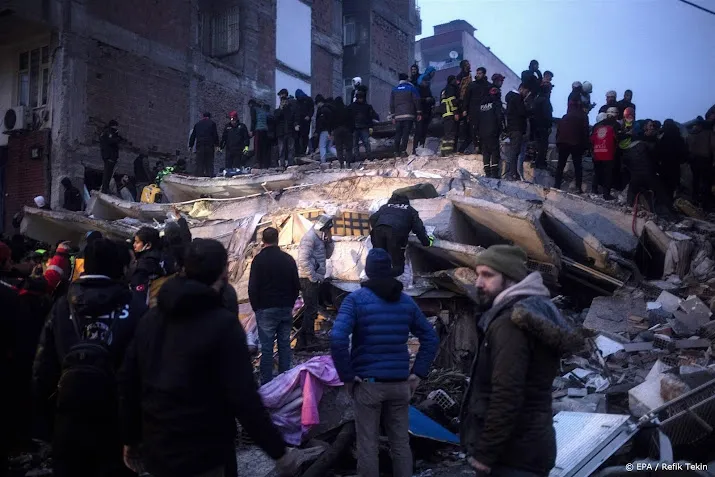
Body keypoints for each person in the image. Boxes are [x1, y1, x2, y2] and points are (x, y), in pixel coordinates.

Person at [118, 239, 298, 477]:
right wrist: (278, 452)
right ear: (223, 272)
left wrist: (130, 437)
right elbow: (244, 398)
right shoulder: (223, 326)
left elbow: (129, 382)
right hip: (204, 453)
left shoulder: (151, 319)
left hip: (158, 448)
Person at [461, 245, 580, 477]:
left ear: (510, 278)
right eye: (478, 274)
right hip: (527, 447)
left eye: (488, 275)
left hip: (513, 454)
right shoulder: (529, 311)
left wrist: (486, 453)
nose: (478, 283)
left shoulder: (510, 323)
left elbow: (507, 392)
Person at [33, 238, 144, 477]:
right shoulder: (135, 307)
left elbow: (43, 366)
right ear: (120, 267)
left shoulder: (63, 305)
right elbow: (146, 370)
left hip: (69, 412)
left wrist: (46, 419)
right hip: (116, 421)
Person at [330, 248, 439, 477]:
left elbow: (337, 338)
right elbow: (430, 337)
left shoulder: (355, 300)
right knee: (400, 443)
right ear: (390, 270)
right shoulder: (406, 302)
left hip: (368, 385)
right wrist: (417, 373)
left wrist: (347, 376)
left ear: (368, 271)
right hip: (400, 385)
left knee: (367, 446)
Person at [248, 227, 300, 384]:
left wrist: (257, 308)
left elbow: (253, 288)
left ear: (263, 241)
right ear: (278, 239)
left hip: (265, 310)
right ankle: (285, 383)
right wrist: (290, 304)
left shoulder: (258, 260)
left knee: (267, 348)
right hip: (285, 308)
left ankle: (268, 384)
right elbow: (296, 285)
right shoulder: (288, 259)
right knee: (285, 345)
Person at [369, 193, 432, 278]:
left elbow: (373, 218)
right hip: (396, 234)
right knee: (397, 265)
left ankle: (377, 280)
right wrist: (426, 242)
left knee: (379, 259)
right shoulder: (410, 210)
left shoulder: (385, 207)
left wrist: (380, 228)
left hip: (378, 231)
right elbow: (419, 229)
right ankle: (390, 281)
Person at [296, 215, 334, 351]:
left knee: (311, 309)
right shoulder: (310, 237)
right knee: (311, 309)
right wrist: (313, 276)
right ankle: (307, 339)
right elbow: (303, 259)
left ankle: (305, 340)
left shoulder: (320, 238)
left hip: (314, 277)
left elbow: (327, 255)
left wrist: (329, 241)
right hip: (307, 278)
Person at [623, 120, 672, 213]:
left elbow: (626, 159)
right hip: (647, 173)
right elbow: (656, 158)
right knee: (659, 191)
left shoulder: (634, 141)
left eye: (653, 126)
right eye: (650, 126)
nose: (652, 128)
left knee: (634, 188)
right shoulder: (650, 142)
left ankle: (629, 206)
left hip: (638, 173)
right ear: (644, 127)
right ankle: (670, 212)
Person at [130, 227, 172, 305]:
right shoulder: (164, 254)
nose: (134, 245)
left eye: (137, 242)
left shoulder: (144, 265)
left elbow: (138, 295)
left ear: (148, 245)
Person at [554, 101, 590, 192]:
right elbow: (585, 132)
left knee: (560, 165)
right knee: (577, 166)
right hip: (576, 143)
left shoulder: (565, 116)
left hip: (562, 142)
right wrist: (586, 146)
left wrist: (558, 143)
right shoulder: (583, 116)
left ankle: (556, 185)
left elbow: (559, 130)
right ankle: (578, 187)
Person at [590, 110, 621, 200]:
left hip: (597, 152)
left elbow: (591, 140)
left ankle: (594, 189)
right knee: (608, 174)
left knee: (597, 172)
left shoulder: (596, 128)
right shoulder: (613, 127)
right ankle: (606, 194)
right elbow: (617, 138)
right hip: (608, 154)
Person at [655, 119, 688, 199]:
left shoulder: (663, 138)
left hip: (664, 166)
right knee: (673, 186)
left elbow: (658, 153)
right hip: (675, 166)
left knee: (665, 186)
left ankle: (666, 202)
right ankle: (672, 202)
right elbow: (684, 153)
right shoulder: (679, 138)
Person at [390, 73, 421, 158]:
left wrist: (393, 115)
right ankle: (403, 151)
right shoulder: (411, 88)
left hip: (398, 116)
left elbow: (391, 104)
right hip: (408, 115)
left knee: (398, 134)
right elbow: (417, 100)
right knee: (405, 134)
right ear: (407, 79)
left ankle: (396, 152)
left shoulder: (394, 89)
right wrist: (419, 112)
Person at [687, 117, 715, 209]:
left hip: (694, 161)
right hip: (705, 160)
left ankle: (695, 199)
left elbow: (689, 147)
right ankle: (706, 203)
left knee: (696, 180)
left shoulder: (692, 134)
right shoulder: (709, 133)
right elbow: (713, 147)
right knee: (706, 181)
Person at [462, 67, 492, 154]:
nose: (478, 75)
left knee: (484, 130)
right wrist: (465, 109)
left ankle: (482, 148)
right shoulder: (472, 85)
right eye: (477, 73)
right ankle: (476, 146)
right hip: (473, 111)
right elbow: (466, 98)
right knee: (474, 129)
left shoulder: (488, 85)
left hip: (485, 111)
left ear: (484, 74)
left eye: (480, 73)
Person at [504, 84, 530, 181]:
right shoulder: (517, 98)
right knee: (515, 151)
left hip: (512, 127)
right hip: (517, 128)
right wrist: (530, 111)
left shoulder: (511, 98)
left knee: (515, 151)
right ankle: (513, 173)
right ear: (521, 89)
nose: (526, 94)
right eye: (526, 92)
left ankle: (513, 173)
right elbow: (522, 112)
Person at [478, 87, 505, 178]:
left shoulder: (481, 104)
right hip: (493, 130)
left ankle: (487, 172)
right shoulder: (496, 103)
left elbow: (478, 119)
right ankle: (494, 172)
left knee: (485, 151)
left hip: (482, 131)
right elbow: (499, 116)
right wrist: (502, 129)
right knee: (494, 151)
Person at [349, 91, 379, 162]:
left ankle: (361, 157)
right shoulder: (366, 106)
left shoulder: (352, 106)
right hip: (361, 127)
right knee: (364, 142)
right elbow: (371, 117)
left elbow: (349, 117)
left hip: (358, 127)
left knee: (357, 143)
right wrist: (371, 126)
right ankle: (367, 156)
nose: (361, 99)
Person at [412, 66, 436, 154]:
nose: (427, 83)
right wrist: (425, 100)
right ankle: (415, 149)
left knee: (424, 132)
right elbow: (415, 100)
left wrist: (431, 100)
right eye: (425, 81)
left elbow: (432, 99)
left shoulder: (427, 89)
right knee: (418, 131)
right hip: (419, 113)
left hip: (427, 113)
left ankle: (421, 148)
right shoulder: (417, 89)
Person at [189, 112, 220, 177]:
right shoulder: (212, 123)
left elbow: (193, 136)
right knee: (209, 162)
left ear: (203, 116)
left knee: (200, 162)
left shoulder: (197, 124)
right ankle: (209, 176)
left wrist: (190, 145)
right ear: (210, 117)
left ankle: (199, 176)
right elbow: (215, 135)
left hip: (200, 146)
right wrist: (217, 145)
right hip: (209, 146)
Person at [531, 82, 553, 169]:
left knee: (538, 145)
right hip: (543, 127)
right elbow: (547, 114)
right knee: (543, 146)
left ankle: (536, 161)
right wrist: (549, 125)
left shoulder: (536, 99)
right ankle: (540, 163)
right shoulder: (545, 100)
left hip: (536, 126)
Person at [275, 89, 299, 169]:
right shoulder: (278, 111)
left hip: (290, 131)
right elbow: (275, 119)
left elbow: (294, 118)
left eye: (285, 101)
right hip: (281, 132)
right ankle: (282, 164)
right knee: (281, 149)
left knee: (290, 149)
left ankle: (290, 164)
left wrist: (295, 125)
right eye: (282, 101)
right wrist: (280, 109)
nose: (284, 103)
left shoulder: (291, 110)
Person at [439, 75, 461, 157]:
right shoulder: (451, 88)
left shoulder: (443, 90)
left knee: (447, 133)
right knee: (451, 134)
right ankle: (448, 152)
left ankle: (444, 151)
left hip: (445, 114)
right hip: (451, 113)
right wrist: (456, 112)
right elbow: (452, 101)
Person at [100, 120, 123, 194]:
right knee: (107, 173)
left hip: (109, 156)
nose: (117, 128)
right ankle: (104, 189)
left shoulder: (107, 132)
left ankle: (106, 188)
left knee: (109, 174)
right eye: (116, 126)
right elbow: (111, 141)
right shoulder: (108, 132)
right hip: (109, 155)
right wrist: (118, 138)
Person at [332, 97, 355, 168]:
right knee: (348, 147)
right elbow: (352, 120)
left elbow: (330, 121)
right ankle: (348, 163)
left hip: (337, 130)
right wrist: (352, 130)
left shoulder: (334, 111)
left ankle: (341, 163)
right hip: (346, 129)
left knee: (339, 148)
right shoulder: (347, 109)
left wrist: (331, 130)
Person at [455, 60, 473, 153]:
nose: (469, 65)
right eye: (467, 64)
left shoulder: (470, 75)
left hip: (469, 100)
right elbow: (458, 88)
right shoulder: (460, 76)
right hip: (462, 102)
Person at [248, 100, 271, 169]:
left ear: (251, 104)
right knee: (263, 148)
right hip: (265, 131)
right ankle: (264, 164)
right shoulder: (263, 110)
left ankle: (257, 163)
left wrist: (251, 131)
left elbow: (253, 120)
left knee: (257, 148)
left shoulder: (253, 109)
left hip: (258, 130)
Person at [314, 95, 334, 163]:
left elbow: (321, 122)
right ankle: (341, 157)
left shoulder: (322, 110)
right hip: (331, 130)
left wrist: (317, 131)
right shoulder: (330, 108)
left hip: (324, 131)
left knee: (322, 147)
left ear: (319, 102)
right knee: (330, 147)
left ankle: (323, 161)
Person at [295, 89, 314, 156]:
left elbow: (312, 109)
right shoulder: (298, 101)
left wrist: (309, 115)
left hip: (306, 121)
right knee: (299, 136)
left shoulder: (308, 99)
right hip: (300, 121)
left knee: (305, 136)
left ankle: (303, 151)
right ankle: (299, 152)